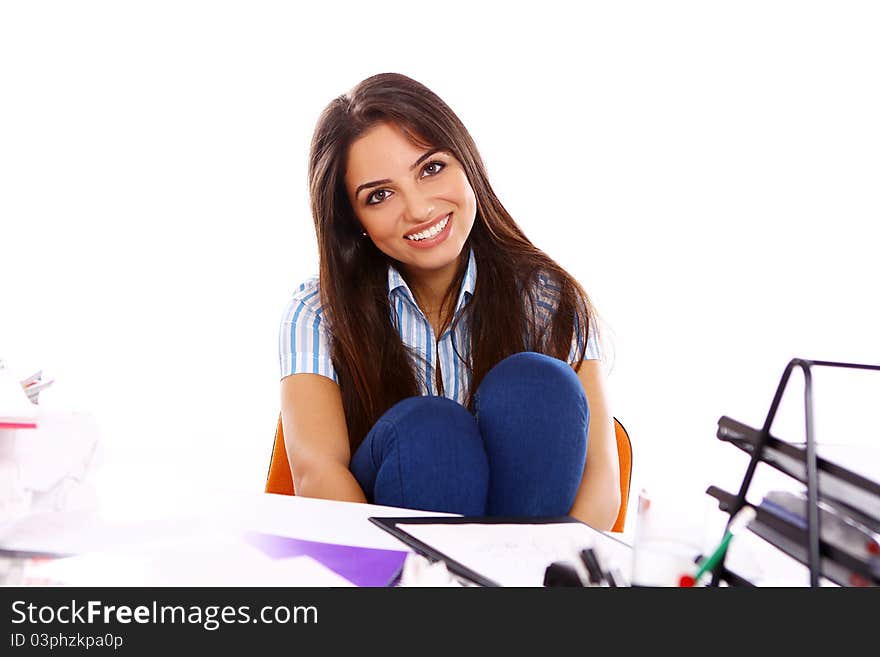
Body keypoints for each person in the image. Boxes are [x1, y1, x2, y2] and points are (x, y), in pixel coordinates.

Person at [279, 73, 620, 529]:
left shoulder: (548, 298)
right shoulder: (319, 313)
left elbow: (601, 480)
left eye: (431, 168)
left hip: (527, 572)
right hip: (389, 565)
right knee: (431, 433)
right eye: (380, 195)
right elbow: (316, 472)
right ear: (353, 219)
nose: (418, 209)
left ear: (467, 164)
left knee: (539, 386)